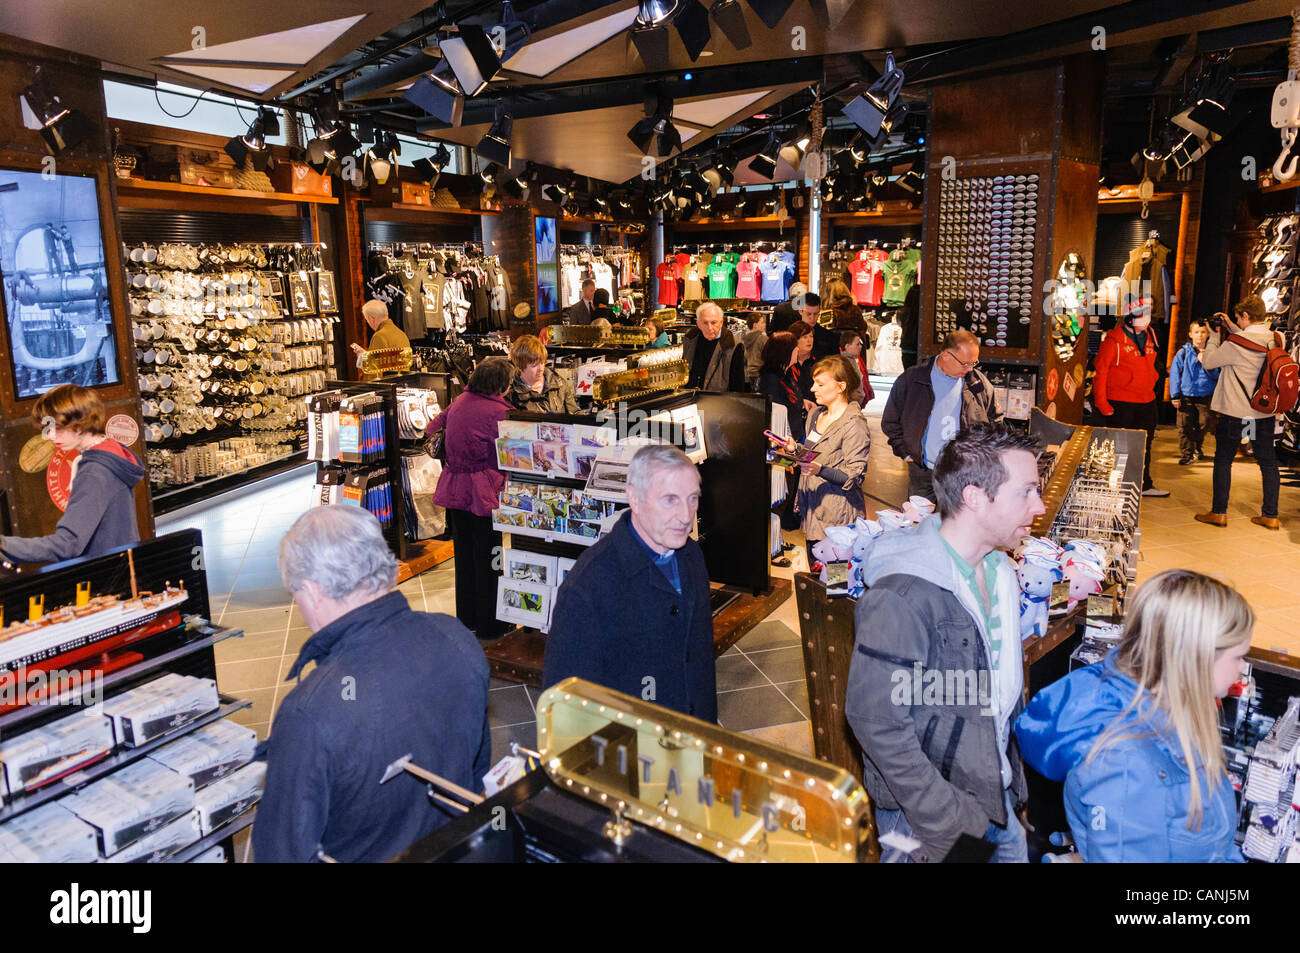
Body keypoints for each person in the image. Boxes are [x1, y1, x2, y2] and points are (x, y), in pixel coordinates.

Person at [846, 424, 1046, 863]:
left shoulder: (1001, 571)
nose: (1040, 505)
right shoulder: (902, 595)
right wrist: (947, 818)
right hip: (932, 824)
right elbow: (876, 722)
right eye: (1027, 492)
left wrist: (1009, 787)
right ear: (975, 497)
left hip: (997, 800)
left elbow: (998, 693)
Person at [254, 505, 490, 862]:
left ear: (314, 590)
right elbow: (476, 772)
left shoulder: (309, 712)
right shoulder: (455, 637)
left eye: (295, 592)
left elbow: (282, 852)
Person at [1015, 569, 1251, 862]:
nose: (1243, 668)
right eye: (1239, 656)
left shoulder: (1173, 713)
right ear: (1196, 658)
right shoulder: (1125, 764)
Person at [542, 445, 716, 720]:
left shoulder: (691, 556)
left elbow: (700, 662)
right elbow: (565, 710)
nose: (685, 515)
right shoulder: (587, 587)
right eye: (670, 500)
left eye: (692, 498)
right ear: (634, 499)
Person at [0, 384, 143, 566]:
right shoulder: (111, 451)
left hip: (105, 580)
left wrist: (4, 545)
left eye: (57, 428)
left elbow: (67, 544)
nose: (50, 435)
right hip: (121, 569)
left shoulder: (94, 472)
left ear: (80, 424)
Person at [428, 357, 515, 638]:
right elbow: (512, 449)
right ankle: (493, 623)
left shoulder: (459, 402)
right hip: (484, 490)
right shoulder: (499, 412)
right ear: (500, 385)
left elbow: (432, 427)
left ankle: (467, 618)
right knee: (490, 556)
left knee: (464, 556)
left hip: (454, 487)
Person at [881, 330, 1001, 503]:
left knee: (957, 526)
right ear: (945, 355)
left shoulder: (978, 384)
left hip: (963, 474)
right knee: (918, 525)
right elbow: (890, 420)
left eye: (974, 362)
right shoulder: (913, 379)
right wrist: (906, 453)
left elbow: (995, 421)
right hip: (922, 470)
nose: (970, 369)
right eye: (965, 363)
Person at [1195, 295, 1284, 530]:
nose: (1238, 322)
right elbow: (1251, 339)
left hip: (1236, 413)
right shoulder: (1277, 338)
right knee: (1267, 462)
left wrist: (1214, 336)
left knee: (1224, 459)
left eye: (1238, 318)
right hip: (1261, 413)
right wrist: (1232, 327)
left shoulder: (1235, 343)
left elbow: (1210, 362)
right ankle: (1271, 515)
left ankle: (1219, 512)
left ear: (1245, 316)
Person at [782, 356, 871, 567]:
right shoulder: (815, 414)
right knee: (816, 575)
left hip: (838, 517)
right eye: (814, 383)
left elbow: (854, 476)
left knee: (836, 581)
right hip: (812, 510)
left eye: (820, 384)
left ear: (841, 386)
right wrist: (795, 450)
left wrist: (820, 470)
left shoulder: (854, 425)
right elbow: (812, 457)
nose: (813, 388)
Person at [1093, 297, 1169, 497]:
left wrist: (1152, 380)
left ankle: (1143, 484)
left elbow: (1151, 365)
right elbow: (1100, 372)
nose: (1146, 319)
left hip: (1146, 401)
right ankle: (1113, 486)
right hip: (1120, 402)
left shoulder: (1151, 336)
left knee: (1145, 445)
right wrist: (1102, 402)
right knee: (1118, 447)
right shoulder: (1113, 341)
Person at [1170, 317, 1220, 465]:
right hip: (1185, 396)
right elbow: (1175, 374)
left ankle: (1197, 447)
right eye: (1196, 332)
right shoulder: (1183, 353)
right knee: (1185, 426)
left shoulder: (1213, 353)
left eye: (1203, 332)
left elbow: (1217, 375)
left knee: (1203, 423)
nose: (1200, 335)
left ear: (1208, 334)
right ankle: (1187, 454)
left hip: (1205, 395)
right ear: (1190, 334)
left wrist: (1206, 362)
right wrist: (1175, 395)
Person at [682, 301, 746, 392]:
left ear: (721, 323)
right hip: (691, 401)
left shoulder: (733, 346)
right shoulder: (690, 339)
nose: (710, 328)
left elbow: (738, 386)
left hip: (719, 402)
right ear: (698, 324)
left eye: (713, 322)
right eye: (705, 323)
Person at [508, 334, 580, 414]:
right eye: (534, 366)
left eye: (542, 363)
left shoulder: (559, 383)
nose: (541, 368)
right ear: (520, 366)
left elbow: (575, 413)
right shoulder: (510, 392)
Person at [351, 299, 411, 381]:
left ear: (372, 319)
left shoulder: (379, 336)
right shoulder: (401, 334)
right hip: (403, 384)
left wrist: (363, 359)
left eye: (367, 320)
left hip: (386, 388)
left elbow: (373, 372)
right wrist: (365, 356)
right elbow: (388, 362)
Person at [795, 291, 838, 361]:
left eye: (815, 314)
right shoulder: (792, 334)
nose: (812, 318)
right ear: (800, 311)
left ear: (819, 310)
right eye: (808, 314)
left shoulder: (829, 337)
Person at [839, 331, 875, 405]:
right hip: (849, 403)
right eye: (857, 344)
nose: (861, 346)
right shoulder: (844, 362)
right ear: (847, 346)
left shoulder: (853, 360)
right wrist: (850, 395)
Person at [740, 311, 768, 389]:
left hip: (747, 375)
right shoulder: (763, 339)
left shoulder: (743, 339)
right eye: (762, 322)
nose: (765, 325)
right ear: (755, 325)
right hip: (760, 374)